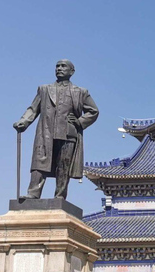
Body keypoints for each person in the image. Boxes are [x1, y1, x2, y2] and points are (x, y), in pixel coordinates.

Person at [13, 59, 99, 199]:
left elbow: (94, 111)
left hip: (68, 133)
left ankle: (60, 196)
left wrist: (79, 122)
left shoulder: (81, 92)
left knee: (63, 165)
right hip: (46, 131)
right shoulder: (44, 89)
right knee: (39, 161)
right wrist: (23, 122)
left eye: (63, 66)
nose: (59, 68)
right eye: (57, 66)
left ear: (72, 71)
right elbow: (33, 109)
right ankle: (33, 194)